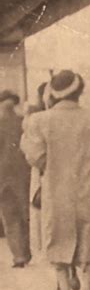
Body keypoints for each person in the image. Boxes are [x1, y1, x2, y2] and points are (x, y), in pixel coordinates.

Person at [21, 70, 90, 290]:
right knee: (89, 252)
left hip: (55, 194)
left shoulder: (39, 120)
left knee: (58, 247)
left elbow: (34, 156)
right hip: (88, 192)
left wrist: (48, 167)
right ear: (79, 91)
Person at [0, 90, 31, 268]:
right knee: (25, 214)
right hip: (23, 174)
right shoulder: (23, 122)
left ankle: (19, 255)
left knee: (9, 215)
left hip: (2, 176)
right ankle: (27, 251)